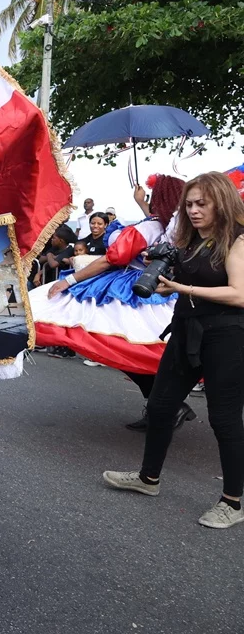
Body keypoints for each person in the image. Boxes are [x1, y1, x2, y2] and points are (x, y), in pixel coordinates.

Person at [103, 172, 244, 530]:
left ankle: (232, 501)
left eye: (202, 204)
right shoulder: (192, 242)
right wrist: (168, 285)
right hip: (185, 331)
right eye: (189, 204)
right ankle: (148, 478)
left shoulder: (237, 241)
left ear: (221, 203)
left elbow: (238, 294)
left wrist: (183, 286)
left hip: (226, 337)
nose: (194, 211)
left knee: (224, 419)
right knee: (161, 406)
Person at [31, 174, 190, 428]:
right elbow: (159, 222)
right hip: (163, 293)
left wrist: (69, 281)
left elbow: (109, 259)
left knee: (119, 348)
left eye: (151, 197)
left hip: (131, 291)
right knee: (144, 352)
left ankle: (167, 405)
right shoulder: (177, 228)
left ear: (157, 198)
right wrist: (141, 204)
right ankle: (165, 405)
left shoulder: (149, 227)